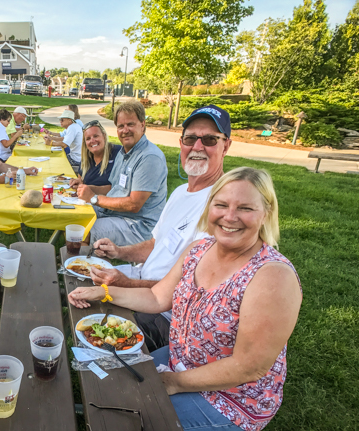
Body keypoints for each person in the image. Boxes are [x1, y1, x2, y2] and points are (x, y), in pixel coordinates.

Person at [69, 167, 302, 431]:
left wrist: (174, 382)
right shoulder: (199, 249)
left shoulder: (272, 276)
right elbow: (157, 297)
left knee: (127, 418)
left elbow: (249, 367)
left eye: (245, 208)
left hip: (232, 398)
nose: (229, 216)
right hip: (180, 360)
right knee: (108, 377)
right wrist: (105, 292)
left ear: (266, 213)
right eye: (221, 204)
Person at [87, 105, 233, 351]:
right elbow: (155, 244)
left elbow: (191, 290)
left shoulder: (223, 207)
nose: (197, 147)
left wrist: (125, 283)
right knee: (83, 284)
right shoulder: (180, 192)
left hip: (168, 316)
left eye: (209, 139)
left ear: (226, 146)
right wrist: (119, 253)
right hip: (142, 282)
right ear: (181, 143)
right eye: (190, 139)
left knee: (99, 338)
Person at [75, 101, 167, 247]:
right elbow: (113, 187)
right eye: (120, 126)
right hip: (114, 213)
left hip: (136, 226)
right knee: (75, 216)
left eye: (130, 124)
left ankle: (85, 267)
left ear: (142, 125)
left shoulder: (149, 157)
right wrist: (85, 187)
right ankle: (78, 262)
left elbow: (134, 205)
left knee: (82, 232)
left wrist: (93, 198)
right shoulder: (124, 152)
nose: (125, 130)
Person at [69, 120, 121, 188]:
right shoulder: (87, 157)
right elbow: (81, 178)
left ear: (104, 136)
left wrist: (91, 189)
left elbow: (121, 188)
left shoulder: (118, 153)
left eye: (96, 136)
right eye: (88, 138)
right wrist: (79, 181)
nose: (92, 141)